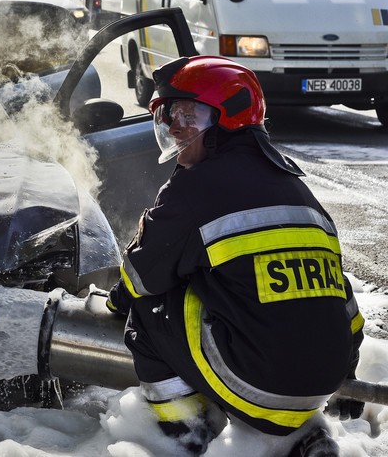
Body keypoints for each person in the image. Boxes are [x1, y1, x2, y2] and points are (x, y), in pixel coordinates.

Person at [105, 55, 365, 456]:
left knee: (149, 310)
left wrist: (115, 301)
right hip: (322, 386)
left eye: (188, 115)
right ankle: (305, 438)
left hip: (261, 388)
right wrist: (346, 377)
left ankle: (186, 435)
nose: (174, 127)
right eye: (169, 114)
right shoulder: (299, 191)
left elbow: (142, 278)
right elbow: (339, 296)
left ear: (226, 121)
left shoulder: (195, 188)